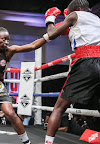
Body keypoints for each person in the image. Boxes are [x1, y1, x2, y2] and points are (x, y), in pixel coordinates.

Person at [43, 0, 100, 144]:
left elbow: (51, 34)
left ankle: (48, 143)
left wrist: (49, 19)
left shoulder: (75, 15)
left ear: (79, 9)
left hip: (86, 61)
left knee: (59, 107)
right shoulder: (96, 19)